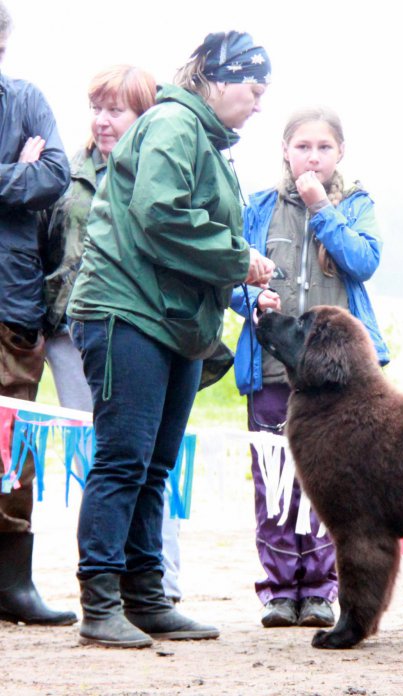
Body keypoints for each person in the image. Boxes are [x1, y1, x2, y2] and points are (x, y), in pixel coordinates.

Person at [66, 31, 275, 649]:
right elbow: (161, 213)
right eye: (254, 88)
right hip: (126, 311)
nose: (259, 103)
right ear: (218, 76)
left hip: (177, 320)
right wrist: (238, 256)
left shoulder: (207, 141)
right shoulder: (173, 125)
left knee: (156, 466)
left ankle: (147, 597)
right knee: (123, 460)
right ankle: (100, 604)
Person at [231, 106, 389, 628]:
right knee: (274, 479)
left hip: (341, 378)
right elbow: (230, 274)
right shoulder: (257, 208)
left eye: (323, 147)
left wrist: (323, 208)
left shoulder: (356, 205)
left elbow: (363, 262)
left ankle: (321, 590)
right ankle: (280, 590)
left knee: (334, 485)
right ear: (284, 149)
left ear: (339, 152)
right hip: (273, 368)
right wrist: (250, 299)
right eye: (303, 146)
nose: (312, 156)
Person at [39, 65, 184, 604]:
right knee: (104, 460)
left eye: (115, 110)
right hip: (68, 334)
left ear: (145, 116)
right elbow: (42, 248)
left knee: (143, 458)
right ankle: (102, 588)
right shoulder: (67, 172)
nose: (102, 120)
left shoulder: (162, 171)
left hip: (141, 328)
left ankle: (157, 584)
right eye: (96, 108)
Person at [0, 0, 76, 627]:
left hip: (11, 303)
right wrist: (10, 173)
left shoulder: (26, 100)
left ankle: (12, 586)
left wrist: (30, 170)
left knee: (12, 445)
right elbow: (27, 178)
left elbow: (55, 176)